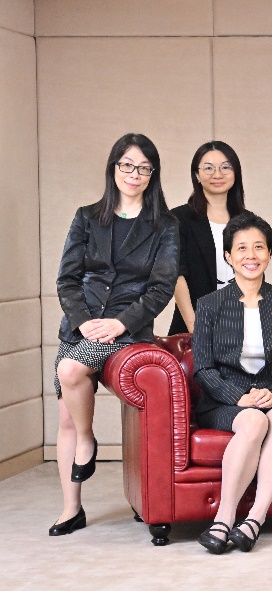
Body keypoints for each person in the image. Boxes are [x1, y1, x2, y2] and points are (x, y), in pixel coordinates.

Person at [50, 133, 179, 536]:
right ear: (113, 168)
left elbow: (161, 287)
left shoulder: (165, 224)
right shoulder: (88, 216)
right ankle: (71, 508)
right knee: (66, 418)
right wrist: (85, 320)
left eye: (143, 167)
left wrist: (120, 323)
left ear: (152, 173)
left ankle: (89, 441)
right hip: (83, 325)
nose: (134, 174)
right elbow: (67, 279)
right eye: (127, 165)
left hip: (128, 330)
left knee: (70, 372)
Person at [192, 213, 272, 554]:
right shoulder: (209, 305)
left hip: (271, 393)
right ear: (228, 257)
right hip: (223, 400)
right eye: (241, 248)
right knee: (254, 421)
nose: (250, 255)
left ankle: (254, 519)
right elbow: (203, 368)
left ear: (269, 254)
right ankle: (224, 518)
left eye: (258, 247)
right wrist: (239, 397)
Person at [169, 141, 249, 335]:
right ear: (196, 174)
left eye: (225, 167)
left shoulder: (248, 221)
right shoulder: (179, 219)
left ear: (236, 172)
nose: (217, 174)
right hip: (193, 326)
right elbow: (176, 276)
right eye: (208, 168)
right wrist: (194, 327)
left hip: (240, 323)